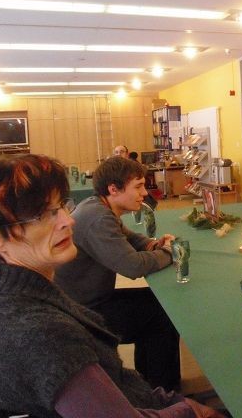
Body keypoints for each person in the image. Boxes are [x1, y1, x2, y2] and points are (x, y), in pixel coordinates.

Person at [0, 154, 221, 417]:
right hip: (95, 304)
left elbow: (117, 387)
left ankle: (162, 384)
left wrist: (169, 403)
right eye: (41, 215)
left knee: (157, 311)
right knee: (157, 315)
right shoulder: (40, 333)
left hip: (96, 312)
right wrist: (189, 411)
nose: (67, 220)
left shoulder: (31, 304)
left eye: (61, 206)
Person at [54, 156, 180, 391]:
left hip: (88, 301)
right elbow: (133, 266)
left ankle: (152, 386)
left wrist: (153, 244)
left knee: (160, 306)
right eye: (138, 186)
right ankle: (163, 392)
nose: (144, 193)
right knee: (161, 316)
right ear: (114, 189)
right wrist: (169, 253)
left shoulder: (98, 206)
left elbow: (130, 238)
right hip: (83, 313)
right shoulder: (98, 218)